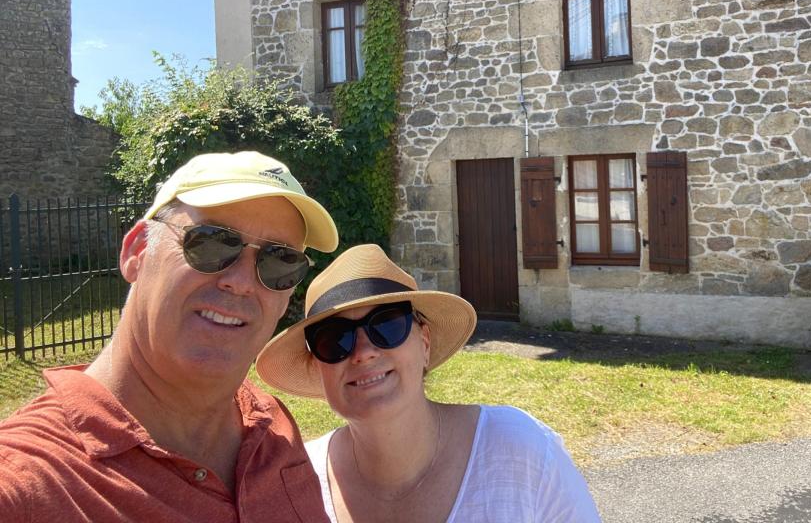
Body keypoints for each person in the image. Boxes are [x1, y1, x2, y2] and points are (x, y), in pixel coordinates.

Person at [0, 151, 338, 522]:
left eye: (280, 262)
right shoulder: (27, 484)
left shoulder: (272, 430)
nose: (241, 282)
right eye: (211, 243)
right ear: (137, 252)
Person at [256, 243, 601, 523]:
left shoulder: (521, 453)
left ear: (423, 343)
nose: (363, 352)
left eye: (387, 325)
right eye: (334, 338)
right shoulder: (300, 484)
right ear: (318, 366)